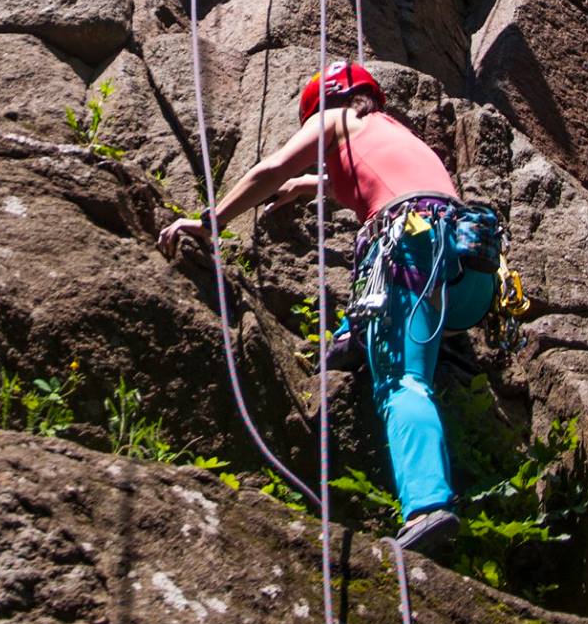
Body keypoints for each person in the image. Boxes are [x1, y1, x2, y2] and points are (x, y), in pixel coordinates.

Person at [158, 60, 504, 556]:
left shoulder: (333, 118)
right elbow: (373, 178)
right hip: (468, 269)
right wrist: (312, 187)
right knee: (396, 319)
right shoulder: (393, 132)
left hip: (412, 247)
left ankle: (427, 505)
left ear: (325, 104)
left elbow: (270, 169)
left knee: (403, 381)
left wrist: (210, 220)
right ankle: (354, 337)